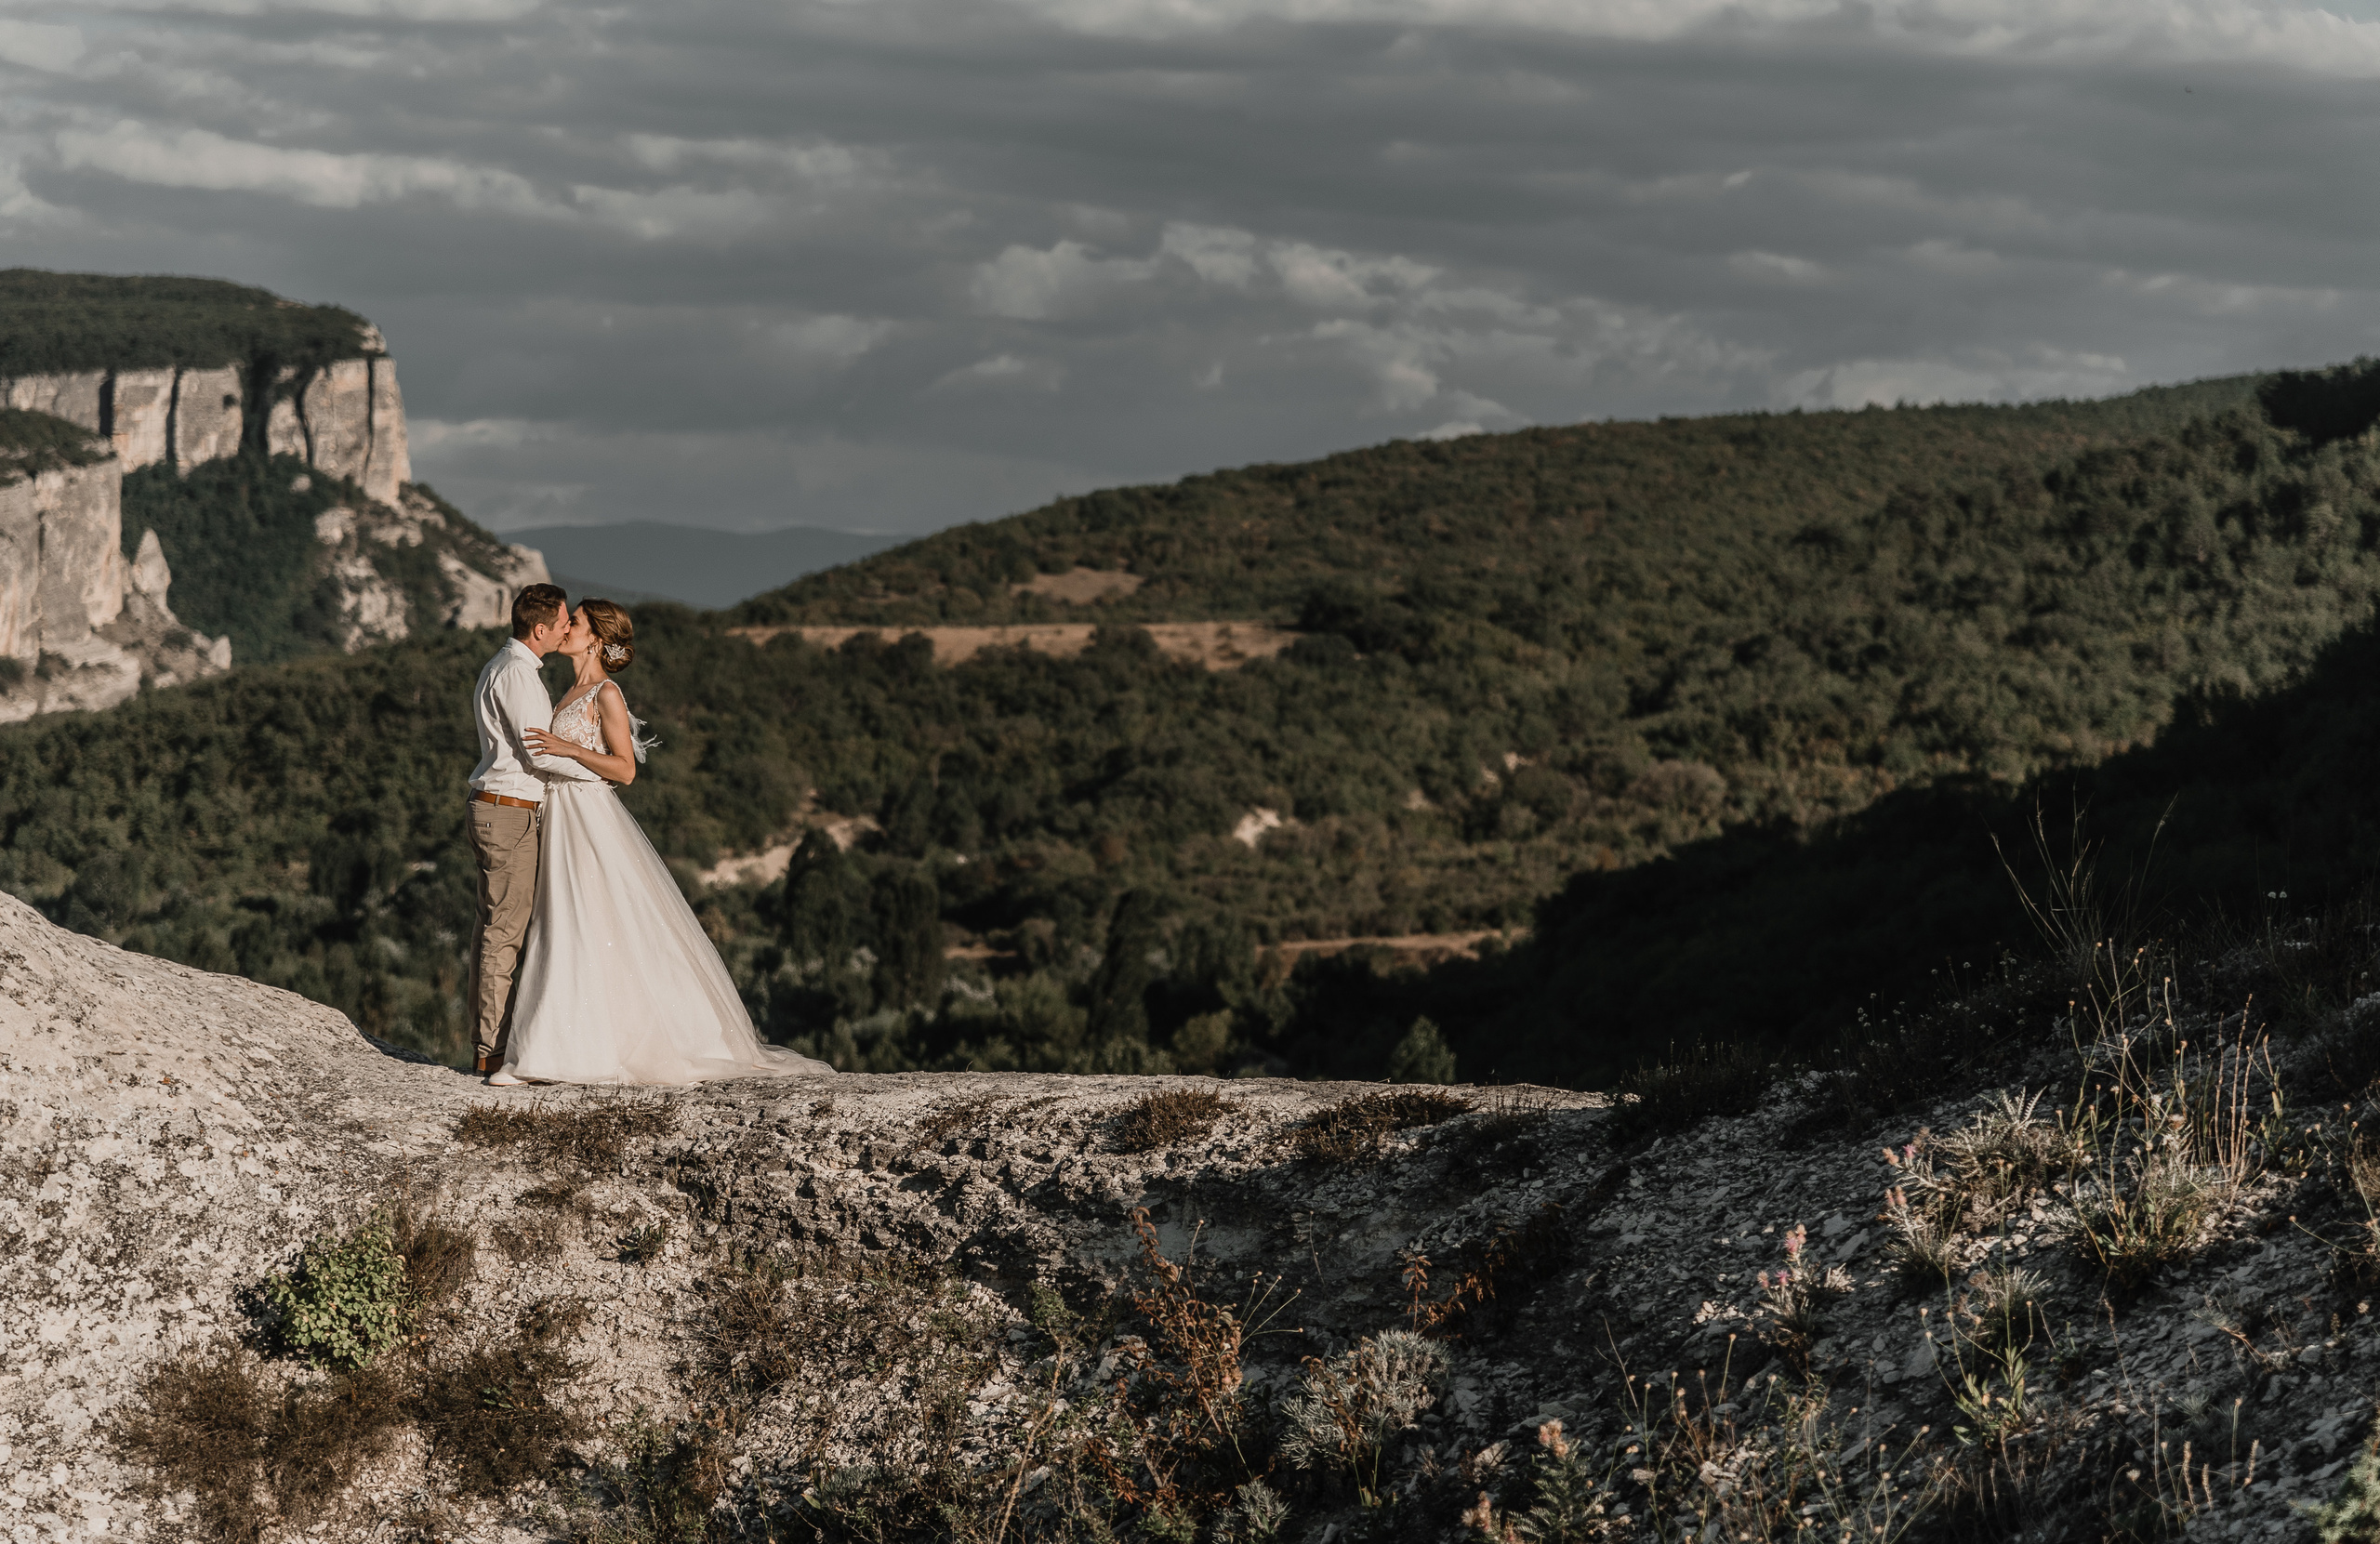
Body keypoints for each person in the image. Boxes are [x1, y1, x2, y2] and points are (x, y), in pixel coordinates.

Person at [492, 598, 831, 1086]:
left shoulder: (606, 693)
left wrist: (568, 748)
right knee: (565, 920)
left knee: (583, 918)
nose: (566, 628)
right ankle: (559, 1047)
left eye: (577, 623)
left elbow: (625, 770)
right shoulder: (568, 691)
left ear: (596, 639)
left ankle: (557, 1055)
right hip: (561, 813)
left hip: (588, 814)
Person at [465, 583, 575, 1077]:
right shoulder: (516, 675)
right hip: (508, 813)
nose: (568, 628)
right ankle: (491, 1051)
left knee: (497, 926)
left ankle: (494, 1043)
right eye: (563, 622)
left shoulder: (512, 668)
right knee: (503, 930)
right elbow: (540, 752)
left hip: (507, 810)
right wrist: (602, 772)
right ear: (540, 629)